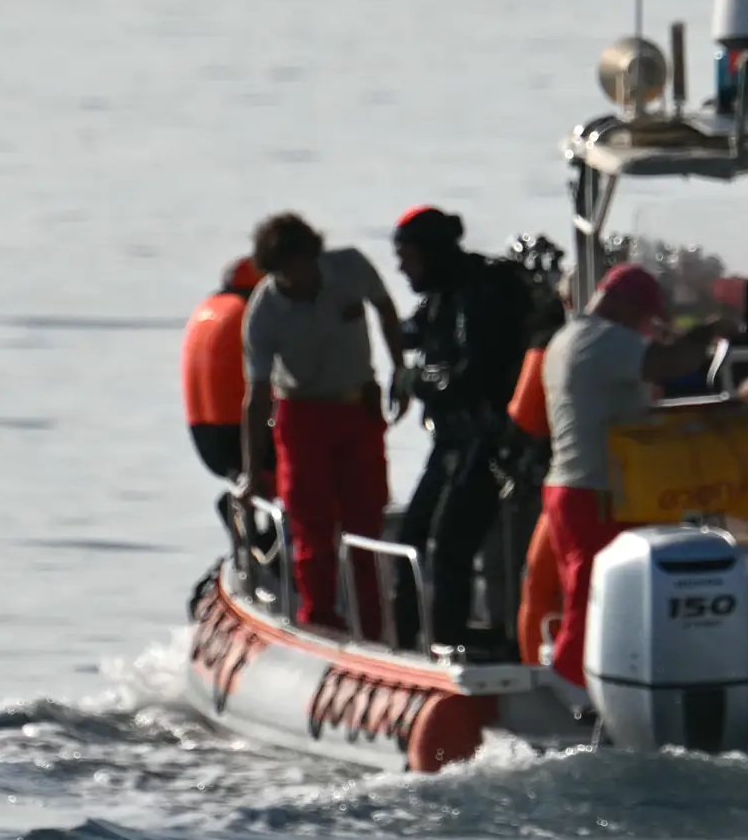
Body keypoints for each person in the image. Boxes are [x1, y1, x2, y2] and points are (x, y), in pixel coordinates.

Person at [238, 211, 407, 637]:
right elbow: (256, 396)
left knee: (366, 521)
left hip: (358, 410)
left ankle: (374, 626)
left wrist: (400, 369)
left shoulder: (350, 267)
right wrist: (251, 471)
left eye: (302, 264)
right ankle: (320, 621)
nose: (297, 277)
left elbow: (385, 308)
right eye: (285, 271)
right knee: (310, 526)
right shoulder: (264, 311)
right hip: (301, 418)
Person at [387, 207, 539, 652]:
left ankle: (449, 641)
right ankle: (406, 639)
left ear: (432, 253)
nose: (401, 268)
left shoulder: (481, 293)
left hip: (489, 442)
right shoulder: (442, 293)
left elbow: (466, 379)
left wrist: (411, 380)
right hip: (453, 441)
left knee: (450, 543)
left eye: (408, 257)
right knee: (414, 533)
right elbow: (411, 331)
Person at [522, 265, 671, 683]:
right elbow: (669, 363)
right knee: (589, 598)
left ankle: (595, 680)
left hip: (579, 487)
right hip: (593, 492)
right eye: (644, 318)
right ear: (621, 305)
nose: (644, 329)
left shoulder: (570, 336)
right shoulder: (604, 338)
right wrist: (710, 333)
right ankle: (570, 688)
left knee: (591, 594)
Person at [181, 259, 263, 479]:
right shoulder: (251, 312)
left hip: (204, 435)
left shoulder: (206, 309)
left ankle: (238, 507)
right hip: (243, 434)